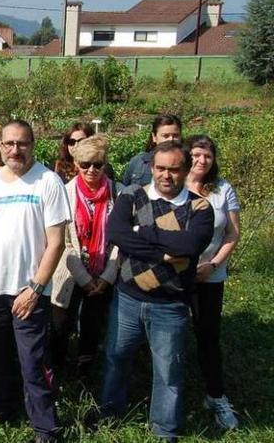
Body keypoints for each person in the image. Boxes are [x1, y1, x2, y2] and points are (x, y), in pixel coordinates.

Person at [99, 140, 214, 441]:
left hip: (170, 305)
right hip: (127, 298)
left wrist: (141, 234)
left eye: (174, 170)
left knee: (168, 372)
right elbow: (116, 234)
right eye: (160, 168)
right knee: (116, 358)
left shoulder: (199, 207)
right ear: (151, 168)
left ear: (186, 170)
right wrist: (163, 252)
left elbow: (190, 246)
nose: (166, 175)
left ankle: (165, 430)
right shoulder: (132, 196)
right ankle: (110, 412)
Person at [0, 120, 69, 443]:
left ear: (33, 144)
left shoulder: (48, 181)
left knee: (33, 363)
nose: (14, 150)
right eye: (9, 144)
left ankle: (45, 428)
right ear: (0, 147)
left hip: (28, 292)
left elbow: (57, 242)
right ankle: (4, 411)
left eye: (21, 144)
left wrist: (36, 288)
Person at [49, 135, 120, 375]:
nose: (91, 170)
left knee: (93, 325)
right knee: (61, 323)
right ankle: (56, 371)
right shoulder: (64, 193)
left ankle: (84, 375)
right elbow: (64, 241)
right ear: (76, 164)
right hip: (70, 270)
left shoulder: (116, 194)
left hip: (104, 270)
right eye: (85, 164)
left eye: (98, 164)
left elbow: (119, 239)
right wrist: (84, 278)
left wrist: (107, 276)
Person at [184, 134, 241, 430]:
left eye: (207, 155)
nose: (201, 160)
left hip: (210, 275)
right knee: (171, 336)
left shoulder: (222, 189)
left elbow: (232, 234)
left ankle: (216, 395)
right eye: (195, 154)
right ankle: (172, 396)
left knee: (208, 335)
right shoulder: (173, 184)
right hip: (175, 277)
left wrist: (213, 264)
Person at [121, 113, 182, 187]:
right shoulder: (138, 162)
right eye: (165, 136)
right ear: (154, 137)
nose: (171, 139)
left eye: (175, 135)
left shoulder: (189, 163)